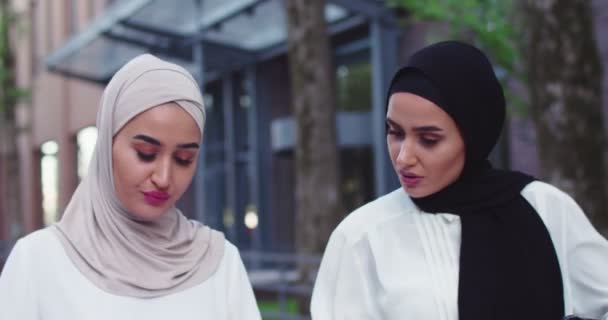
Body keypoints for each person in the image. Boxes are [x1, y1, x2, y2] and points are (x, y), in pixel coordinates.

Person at [310, 41, 608, 320]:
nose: (403, 158)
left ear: (474, 135)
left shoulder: (545, 208)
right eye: (395, 132)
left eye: (428, 139)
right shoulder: (361, 236)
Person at [0, 54, 261, 320]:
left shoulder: (220, 262)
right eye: (146, 153)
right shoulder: (37, 262)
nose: (163, 177)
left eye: (184, 159)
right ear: (106, 146)